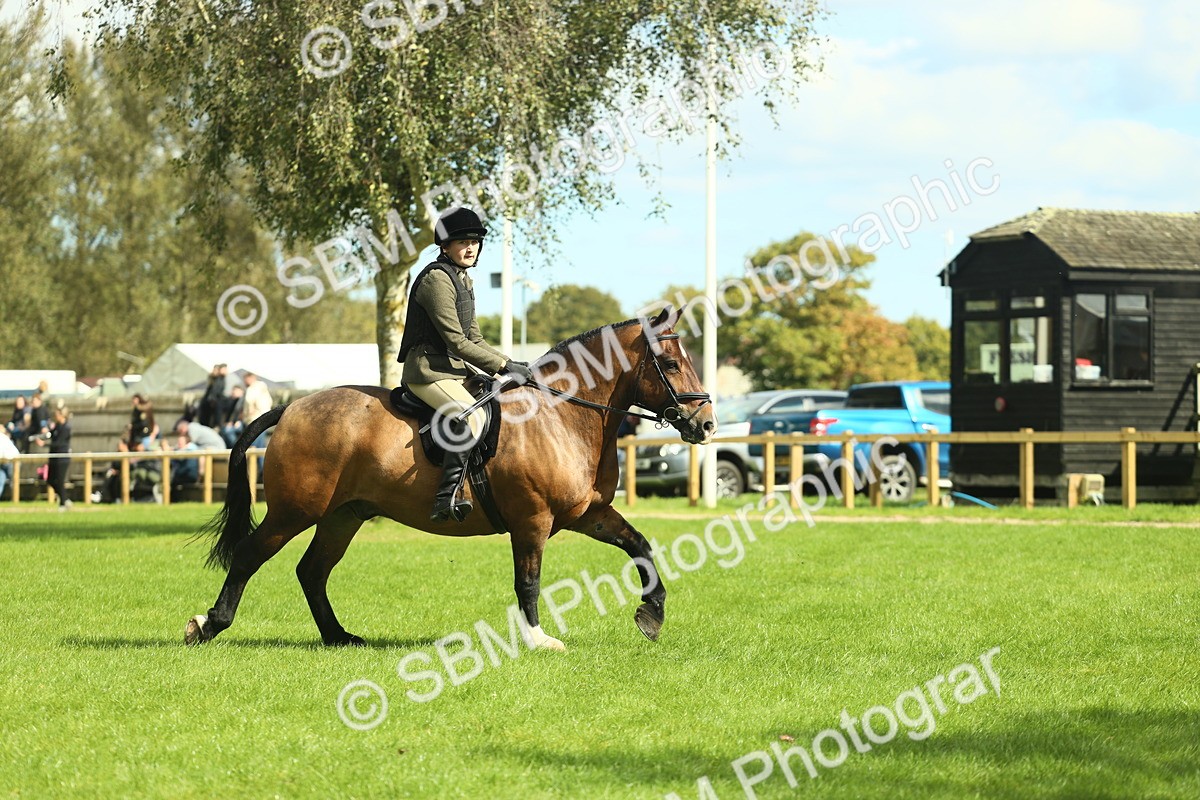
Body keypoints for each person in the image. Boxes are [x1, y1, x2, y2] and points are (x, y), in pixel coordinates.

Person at [397, 206, 533, 522]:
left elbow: (475, 338)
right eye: (462, 242)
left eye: (475, 241)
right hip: (427, 372)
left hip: (453, 371)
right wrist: (501, 368)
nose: (470, 247)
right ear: (445, 246)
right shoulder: (436, 279)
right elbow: (457, 342)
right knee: (468, 418)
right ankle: (445, 498)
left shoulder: (464, 280)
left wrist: (509, 363)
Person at [34, 406, 72, 509]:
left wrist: (44, 444)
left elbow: (59, 443)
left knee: (60, 480)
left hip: (62, 457)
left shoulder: (66, 428)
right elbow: (51, 435)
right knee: (50, 480)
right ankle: (65, 499)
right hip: (54, 457)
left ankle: (63, 503)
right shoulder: (57, 426)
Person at [0, 427, 18, 500]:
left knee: (13, 481)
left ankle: (15, 499)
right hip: (3, 462)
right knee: (0, 479)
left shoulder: (2, 438)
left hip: (12, 462)